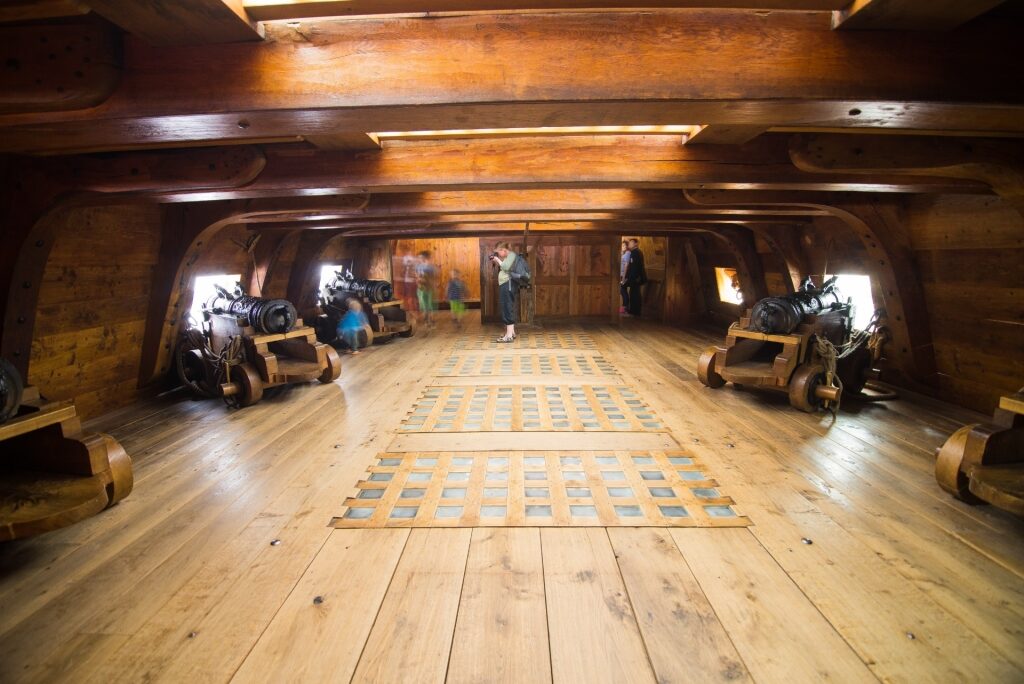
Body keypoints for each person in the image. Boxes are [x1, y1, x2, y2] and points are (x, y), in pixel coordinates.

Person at [490, 242, 518, 342]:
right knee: (508, 306)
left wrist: (497, 260)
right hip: (506, 284)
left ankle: (509, 336)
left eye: (499, 252)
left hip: (508, 284)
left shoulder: (511, 255)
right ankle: (512, 332)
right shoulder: (509, 257)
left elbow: (506, 268)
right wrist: (498, 261)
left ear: (504, 250)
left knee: (507, 307)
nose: (499, 254)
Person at [624, 238, 647, 317]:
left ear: (636, 244)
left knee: (635, 294)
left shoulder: (636, 252)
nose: (629, 244)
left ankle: (635, 312)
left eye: (631, 243)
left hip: (636, 277)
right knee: (633, 293)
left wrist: (631, 277)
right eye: (629, 243)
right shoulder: (634, 252)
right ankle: (633, 310)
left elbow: (635, 267)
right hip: (635, 277)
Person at [415, 250, 437, 327]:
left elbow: (433, 278)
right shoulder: (418, 266)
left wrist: (432, 286)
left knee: (429, 304)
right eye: (419, 258)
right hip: (421, 288)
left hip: (429, 288)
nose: (419, 259)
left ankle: (430, 319)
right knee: (423, 304)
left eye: (420, 257)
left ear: (425, 257)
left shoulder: (431, 267)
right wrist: (418, 280)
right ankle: (426, 319)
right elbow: (416, 275)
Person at [619, 239, 631, 314]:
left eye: (624, 245)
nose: (622, 247)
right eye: (622, 245)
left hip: (624, 275)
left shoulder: (628, 253)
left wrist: (624, 277)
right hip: (621, 275)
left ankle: (625, 307)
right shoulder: (623, 253)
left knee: (623, 291)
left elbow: (627, 265)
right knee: (622, 291)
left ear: (627, 246)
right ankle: (624, 307)